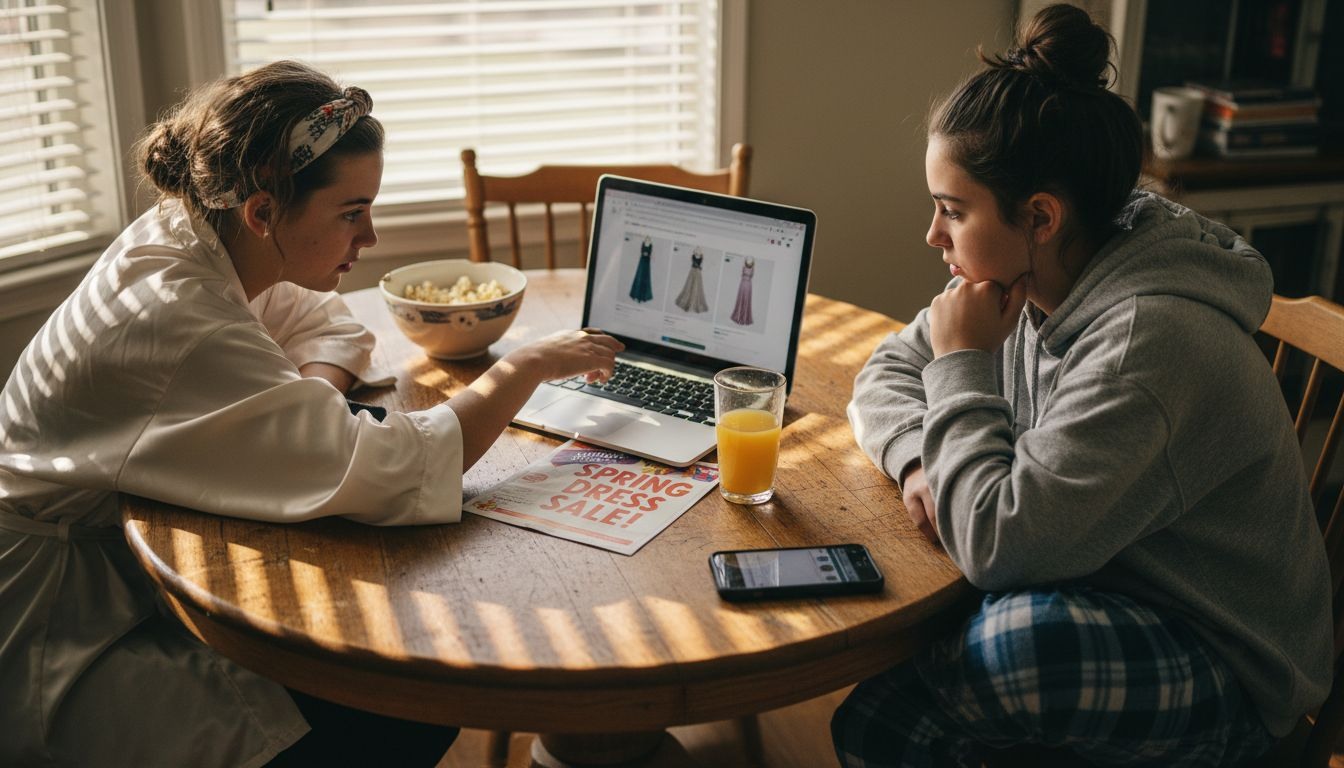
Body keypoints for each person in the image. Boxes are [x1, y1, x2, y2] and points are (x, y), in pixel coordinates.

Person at [0, 60, 622, 767]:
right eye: (352, 213)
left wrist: (312, 401)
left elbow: (326, 321)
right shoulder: (184, 318)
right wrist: (525, 367)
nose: (372, 238)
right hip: (57, 634)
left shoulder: (199, 235)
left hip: (117, 575)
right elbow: (397, 466)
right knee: (405, 714)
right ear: (263, 212)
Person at [833, 5, 1331, 767]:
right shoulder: (1035, 279)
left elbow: (998, 546)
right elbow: (883, 373)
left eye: (952, 211)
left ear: (1038, 215)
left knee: (1006, 647)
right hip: (1099, 571)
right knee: (890, 709)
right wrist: (917, 463)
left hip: (1223, 656)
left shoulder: (1146, 344)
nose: (932, 236)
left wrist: (962, 367)